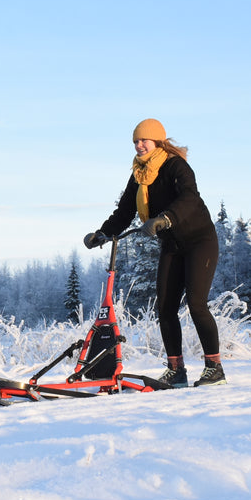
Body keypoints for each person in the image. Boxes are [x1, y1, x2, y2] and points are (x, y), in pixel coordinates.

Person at [84, 118, 226, 388]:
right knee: (165, 307)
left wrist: (165, 218)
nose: (139, 145)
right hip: (172, 245)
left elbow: (190, 198)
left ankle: (214, 368)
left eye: (144, 140)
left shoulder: (176, 166)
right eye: (136, 141)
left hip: (199, 241)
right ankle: (176, 370)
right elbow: (124, 212)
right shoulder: (138, 174)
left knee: (196, 304)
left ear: (157, 141)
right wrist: (102, 234)